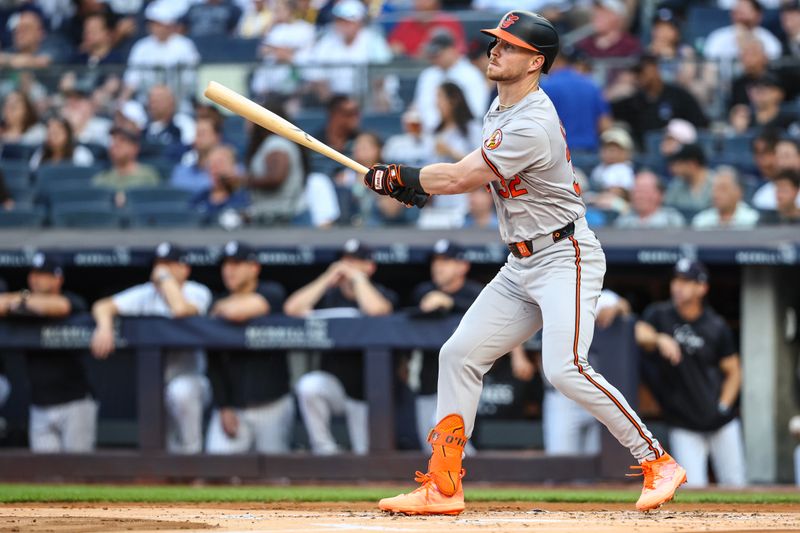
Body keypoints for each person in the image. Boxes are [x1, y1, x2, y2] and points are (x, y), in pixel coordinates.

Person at [362, 11, 687, 515]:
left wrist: (402, 175)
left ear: (536, 61)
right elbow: (471, 174)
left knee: (563, 368)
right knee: (458, 355)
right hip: (520, 264)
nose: (495, 50)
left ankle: (657, 461)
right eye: (495, 43)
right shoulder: (498, 108)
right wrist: (415, 183)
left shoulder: (533, 120)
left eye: (509, 46)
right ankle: (444, 486)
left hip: (564, 254)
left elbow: (458, 177)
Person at [91, 242, 212, 454]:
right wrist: (104, 327)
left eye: (169, 264)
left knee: (181, 392)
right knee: (163, 438)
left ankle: (193, 467)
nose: (161, 269)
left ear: (185, 269)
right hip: (155, 382)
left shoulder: (197, 291)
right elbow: (102, 305)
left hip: (192, 379)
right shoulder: (146, 293)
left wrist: (165, 280)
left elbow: (180, 309)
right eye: (159, 264)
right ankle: (163, 474)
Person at [636, 259, 746, 488]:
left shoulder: (716, 326)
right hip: (683, 423)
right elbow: (638, 332)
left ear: (701, 288)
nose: (678, 286)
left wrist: (723, 406)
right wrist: (660, 338)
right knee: (693, 487)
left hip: (720, 423)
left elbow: (734, 371)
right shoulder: (659, 315)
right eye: (676, 280)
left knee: (735, 485)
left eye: (686, 281)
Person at [285, 239, 398, 455]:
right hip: (335, 385)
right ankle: (324, 449)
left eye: (357, 261)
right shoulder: (328, 296)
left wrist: (358, 279)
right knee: (309, 386)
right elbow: (292, 308)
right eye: (346, 260)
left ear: (370, 267)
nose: (349, 266)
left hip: (368, 393)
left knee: (366, 454)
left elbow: (377, 311)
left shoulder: (382, 293)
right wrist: (328, 277)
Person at [0, 252, 96, 452]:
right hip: (39, 405)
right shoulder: (21, 305)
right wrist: (21, 301)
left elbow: (58, 306)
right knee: (45, 476)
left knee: (77, 471)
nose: (35, 278)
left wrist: (21, 301)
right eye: (33, 273)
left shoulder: (72, 299)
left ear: (57, 278)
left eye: (43, 274)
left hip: (75, 402)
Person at [206, 241, 294, 454]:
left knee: (276, 480)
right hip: (234, 408)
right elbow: (213, 364)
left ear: (254, 268)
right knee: (215, 474)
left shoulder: (272, 291)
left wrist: (220, 309)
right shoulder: (216, 299)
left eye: (236, 264)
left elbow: (237, 312)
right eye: (226, 265)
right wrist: (224, 406)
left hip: (272, 405)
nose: (229, 270)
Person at [410, 240, 483, 451]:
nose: (438, 266)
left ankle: (477, 481)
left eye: (446, 261)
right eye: (436, 261)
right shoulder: (424, 291)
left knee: (450, 440)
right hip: (427, 380)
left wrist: (451, 303)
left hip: (463, 382)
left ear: (463, 266)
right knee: (430, 449)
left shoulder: (475, 293)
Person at [296, 0, 392, 101]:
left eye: (348, 20)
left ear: (359, 21)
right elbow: (315, 74)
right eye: (340, 20)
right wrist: (333, 103)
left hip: (367, 98)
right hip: (335, 99)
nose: (343, 24)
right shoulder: (327, 40)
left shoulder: (373, 40)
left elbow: (381, 75)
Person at [611, 54, 709, 148]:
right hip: (647, 156)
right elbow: (607, 112)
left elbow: (701, 125)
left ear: (654, 68)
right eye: (636, 73)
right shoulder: (634, 101)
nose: (638, 76)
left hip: (678, 155)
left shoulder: (678, 96)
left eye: (641, 71)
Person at [122, 0, 200, 105]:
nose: (153, 27)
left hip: (178, 103)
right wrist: (122, 102)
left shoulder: (185, 45)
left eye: (158, 23)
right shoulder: (141, 46)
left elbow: (190, 81)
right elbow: (131, 80)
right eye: (152, 23)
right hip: (146, 103)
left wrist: (166, 99)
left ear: (169, 24)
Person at [244, 96, 306, 225]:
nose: (247, 122)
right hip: (276, 218)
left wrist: (242, 181)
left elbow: (276, 178)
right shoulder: (271, 143)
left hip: (283, 220)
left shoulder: (276, 143)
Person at [413, 28, 489, 134]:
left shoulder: (470, 74)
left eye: (439, 53)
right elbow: (421, 107)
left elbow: (476, 111)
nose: (435, 57)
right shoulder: (427, 75)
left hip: (463, 135)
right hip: (429, 135)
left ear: (452, 50)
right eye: (432, 54)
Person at [540, 46, 611, 152]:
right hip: (590, 151)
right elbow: (605, 124)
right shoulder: (592, 85)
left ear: (557, 60)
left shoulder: (547, 85)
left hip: (559, 153)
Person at [250, 0, 315, 98]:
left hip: (297, 75)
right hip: (274, 78)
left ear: (291, 10)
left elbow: (306, 54)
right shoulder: (276, 29)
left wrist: (285, 53)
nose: (276, 13)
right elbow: (264, 50)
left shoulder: (306, 28)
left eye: (280, 10)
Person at [91, 126, 160, 206]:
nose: (116, 145)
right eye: (113, 140)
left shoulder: (148, 175)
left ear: (135, 147)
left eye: (122, 140)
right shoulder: (101, 179)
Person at [703, 0, 782, 62]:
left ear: (758, 15)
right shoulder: (718, 37)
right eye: (737, 12)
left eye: (744, 13)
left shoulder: (769, 40)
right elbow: (709, 63)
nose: (740, 17)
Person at [191, 145, 250, 223]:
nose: (215, 169)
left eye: (220, 163)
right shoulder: (199, 199)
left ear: (234, 167)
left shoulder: (247, 198)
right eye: (211, 164)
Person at [387, 0, 466, 58]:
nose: (422, 2)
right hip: (409, 72)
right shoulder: (405, 23)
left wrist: (435, 52)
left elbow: (460, 50)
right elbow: (392, 47)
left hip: (439, 70)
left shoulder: (449, 21)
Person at [692, 167, 760, 229]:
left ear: (739, 192)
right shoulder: (702, 220)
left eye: (723, 189)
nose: (716, 194)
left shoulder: (753, 220)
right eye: (714, 189)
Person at [170, 115, 222, 194]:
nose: (198, 138)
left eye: (203, 133)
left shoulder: (228, 171)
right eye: (197, 134)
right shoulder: (180, 171)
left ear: (217, 137)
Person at [615, 171, 685, 229]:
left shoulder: (671, 220)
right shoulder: (625, 220)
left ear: (660, 194)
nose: (639, 196)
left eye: (644, 191)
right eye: (636, 191)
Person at [575, 0, 641, 59]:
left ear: (617, 17)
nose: (597, 16)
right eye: (595, 11)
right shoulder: (583, 46)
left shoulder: (630, 47)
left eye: (603, 12)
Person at [143, 84, 193, 162]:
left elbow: (189, 152)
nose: (153, 104)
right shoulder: (142, 127)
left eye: (158, 100)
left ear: (171, 102)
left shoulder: (183, 123)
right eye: (151, 100)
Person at [29, 116, 95, 171]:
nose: (52, 137)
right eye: (49, 134)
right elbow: (32, 173)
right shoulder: (40, 154)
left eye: (56, 133)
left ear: (68, 134)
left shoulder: (80, 153)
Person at [664, 144, 713, 214]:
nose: (673, 168)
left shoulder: (717, 184)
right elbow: (667, 210)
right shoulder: (676, 184)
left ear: (692, 164)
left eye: (678, 163)